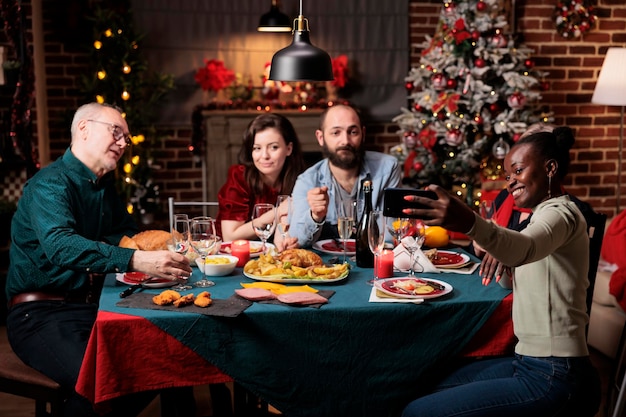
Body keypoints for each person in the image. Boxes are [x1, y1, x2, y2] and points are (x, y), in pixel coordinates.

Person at [5, 102, 192, 417]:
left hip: (96, 305)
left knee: (169, 359)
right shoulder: (50, 183)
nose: (122, 143)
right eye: (116, 132)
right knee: (105, 385)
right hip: (40, 314)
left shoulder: (105, 187)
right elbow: (62, 247)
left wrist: (122, 251)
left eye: (126, 138)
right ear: (84, 129)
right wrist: (134, 259)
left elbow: (126, 235)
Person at [400, 126, 601, 417]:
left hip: (557, 373)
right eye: (507, 175)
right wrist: (504, 255)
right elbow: (516, 266)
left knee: (417, 413)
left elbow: (527, 248)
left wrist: (469, 221)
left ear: (550, 168)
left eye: (517, 171)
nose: (510, 183)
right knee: (427, 386)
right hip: (528, 361)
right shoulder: (538, 218)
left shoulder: (562, 214)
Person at [290, 104, 402, 247]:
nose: (345, 141)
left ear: (363, 134)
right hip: (327, 266)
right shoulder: (307, 181)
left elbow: (389, 235)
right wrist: (315, 216)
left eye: (353, 132)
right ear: (320, 137)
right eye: (336, 133)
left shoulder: (387, 169)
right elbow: (295, 241)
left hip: (370, 261)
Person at [216, 112, 305, 251]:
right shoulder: (239, 177)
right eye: (257, 148)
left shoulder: (300, 179)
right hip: (228, 258)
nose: (264, 156)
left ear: (289, 149)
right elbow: (230, 237)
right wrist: (276, 212)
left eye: (273, 147)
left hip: (269, 255)